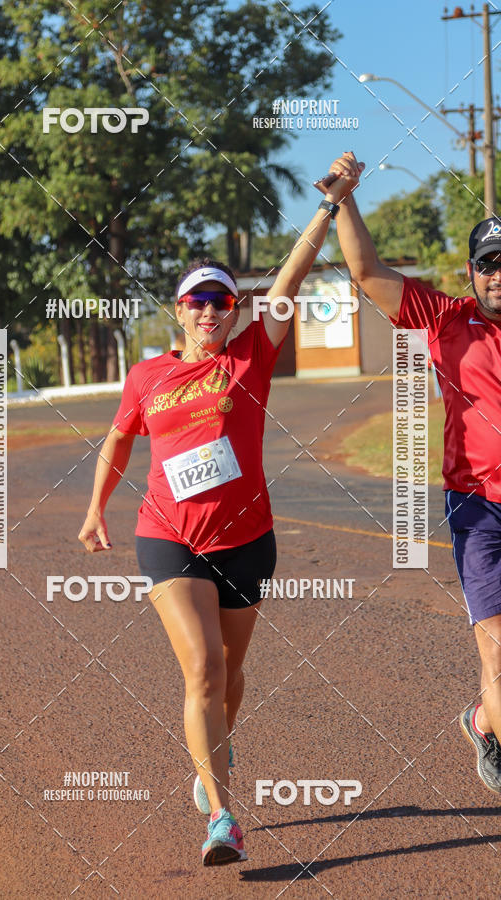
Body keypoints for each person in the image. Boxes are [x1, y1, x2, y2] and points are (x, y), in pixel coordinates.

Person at [77, 172, 353, 866]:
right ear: (178, 310)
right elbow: (118, 439)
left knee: (229, 676)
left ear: (234, 309)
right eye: (198, 300)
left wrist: (328, 207)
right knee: (201, 668)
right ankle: (224, 816)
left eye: (221, 300)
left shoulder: (250, 357)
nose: (209, 311)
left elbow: (288, 282)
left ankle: (209, 768)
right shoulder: (146, 377)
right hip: (167, 537)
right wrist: (94, 511)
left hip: (247, 542)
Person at [323, 151, 501, 794]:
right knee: (495, 645)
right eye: (489, 264)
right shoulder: (445, 319)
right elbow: (366, 272)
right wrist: (344, 199)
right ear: (471, 273)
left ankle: (482, 720)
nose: (499, 275)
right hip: (478, 507)